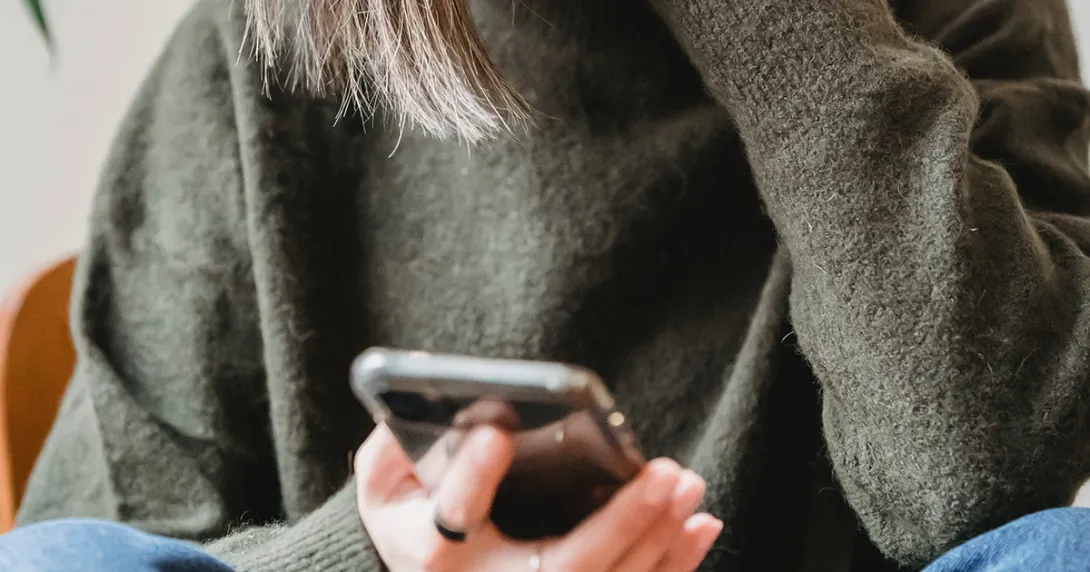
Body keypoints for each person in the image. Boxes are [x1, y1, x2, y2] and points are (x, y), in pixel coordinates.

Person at [4, 0, 1090, 569]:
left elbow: (977, 479)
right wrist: (373, 557)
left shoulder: (955, 12)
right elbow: (96, 537)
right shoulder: (251, 52)